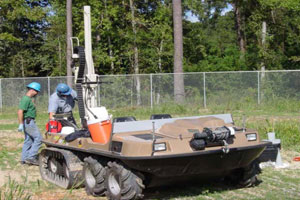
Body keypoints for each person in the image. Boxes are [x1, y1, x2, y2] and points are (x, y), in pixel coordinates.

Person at [18, 82, 42, 166]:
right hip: (28, 122)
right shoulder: (26, 99)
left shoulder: (28, 99)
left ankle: (23, 159)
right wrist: (21, 123)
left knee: (28, 140)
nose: (37, 93)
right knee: (38, 138)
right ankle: (31, 157)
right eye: (37, 91)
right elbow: (20, 111)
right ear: (33, 90)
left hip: (28, 121)